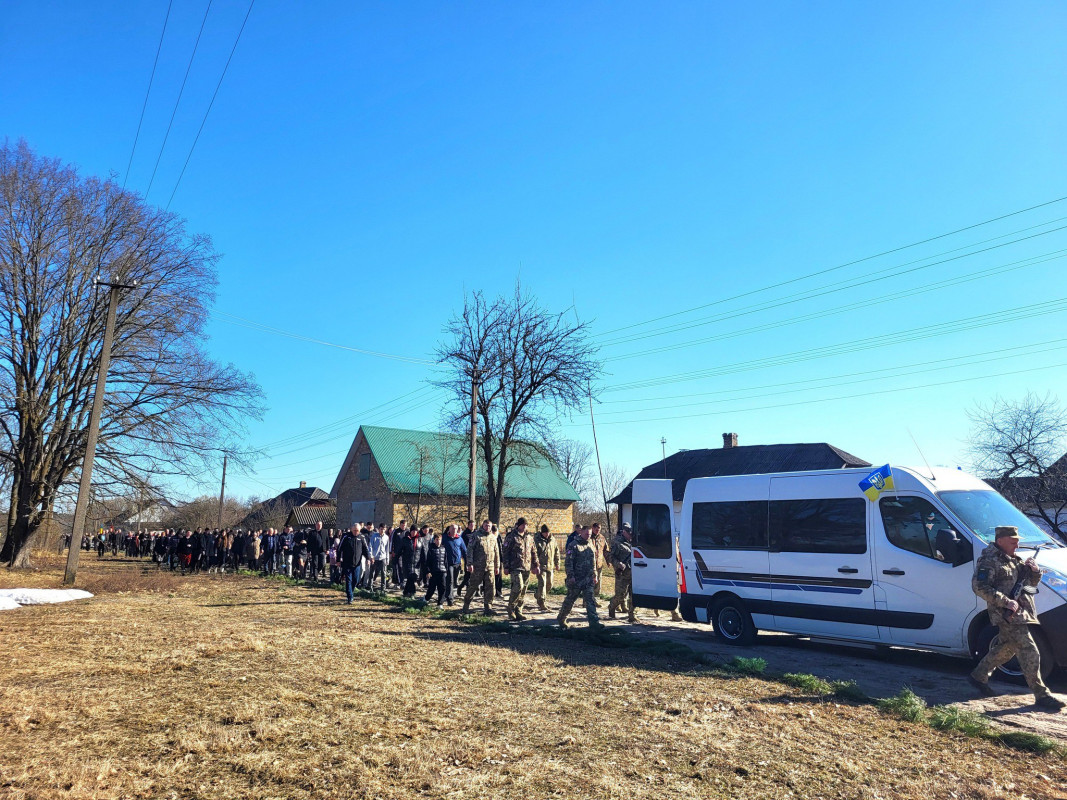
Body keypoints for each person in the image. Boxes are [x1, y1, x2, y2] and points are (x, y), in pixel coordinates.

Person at [969, 526, 1065, 710]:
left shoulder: (1015, 560)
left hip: (1021, 612)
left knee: (1007, 648)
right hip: (1005, 614)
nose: (1017, 545)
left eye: (1017, 541)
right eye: (1013, 541)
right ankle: (1042, 694)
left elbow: (1029, 585)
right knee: (1030, 650)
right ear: (1000, 541)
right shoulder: (989, 561)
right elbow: (979, 586)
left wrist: (1035, 571)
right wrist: (1005, 602)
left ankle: (978, 675)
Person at [556, 525, 602, 629]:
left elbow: (593, 562)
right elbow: (568, 563)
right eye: (587, 534)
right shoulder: (573, 545)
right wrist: (570, 576)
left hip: (588, 579)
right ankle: (561, 618)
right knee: (570, 600)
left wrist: (595, 575)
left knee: (590, 600)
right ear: (581, 532)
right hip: (576, 579)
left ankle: (594, 622)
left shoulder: (590, 544)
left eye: (590, 534)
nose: (588, 536)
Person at [461, 520, 501, 615]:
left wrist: (497, 566)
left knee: (490, 587)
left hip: (490, 566)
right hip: (478, 567)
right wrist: (469, 564)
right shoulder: (476, 536)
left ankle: (488, 607)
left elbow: (496, 552)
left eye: (489, 526)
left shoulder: (493, 537)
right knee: (473, 586)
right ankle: (466, 605)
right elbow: (469, 550)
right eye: (486, 525)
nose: (488, 527)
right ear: (483, 525)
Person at [503, 517, 537, 621]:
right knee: (518, 587)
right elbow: (505, 552)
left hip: (526, 567)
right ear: (518, 525)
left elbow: (534, 552)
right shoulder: (511, 536)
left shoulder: (529, 537)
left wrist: (536, 565)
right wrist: (506, 566)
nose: (525, 527)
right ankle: (511, 608)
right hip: (515, 567)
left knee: (523, 590)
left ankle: (519, 610)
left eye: (526, 525)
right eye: (523, 525)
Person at [607, 524, 636, 623]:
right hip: (623, 574)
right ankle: (612, 606)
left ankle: (632, 615)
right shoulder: (617, 542)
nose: (630, 535)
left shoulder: (634, 542)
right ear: (624, 532)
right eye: (629, 533)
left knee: (634, 595)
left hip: (635, 573)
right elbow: (610, 556)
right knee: (620, 596)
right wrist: (618, 564)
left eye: (631, 533)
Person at [533, 524, 560, 611]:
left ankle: (538, 594)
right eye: (545, 533)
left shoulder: (553, 539)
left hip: (550, 566)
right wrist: (535, 565)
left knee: (550, 584)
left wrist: (557, 563)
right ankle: (541, 602)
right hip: (541, 566)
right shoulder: (537, 540)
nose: (547, 534)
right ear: (542, 532)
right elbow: (533, 553)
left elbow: (556, 551)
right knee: (542, 584)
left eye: (548, 532)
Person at [339, 525, 366, 604]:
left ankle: (351, 591)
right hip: (347, 563)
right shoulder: (346, 537)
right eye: (354, 530)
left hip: (357, 563)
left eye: (357, 530)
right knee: (348, 580)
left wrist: (368, 558)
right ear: (351, 529)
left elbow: (365, 549)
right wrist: (338, 560)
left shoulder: (361, 537)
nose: (356, 532)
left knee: (356, 580)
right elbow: (339, 549)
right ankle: (350, 597)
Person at [423, 531, 451, 607]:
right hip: (433, 572)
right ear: (434, 540)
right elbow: (428, 562)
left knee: (442, 588)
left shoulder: (444, 548)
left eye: (440, 539)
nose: (438, 541)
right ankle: (426, 599)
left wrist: (446, 570)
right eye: (437, 539)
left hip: (442, 571)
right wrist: (428, 571)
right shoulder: (431, 549)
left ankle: (440, 603)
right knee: (431, 588)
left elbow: (446, 561)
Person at [443, 524, 466, 605]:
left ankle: (448, 594)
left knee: (454, 581)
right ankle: (450, 599)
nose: (454, 530)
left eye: (455, 529)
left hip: (457, 563)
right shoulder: (445, 538)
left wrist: (467, 562)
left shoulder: (459, 539)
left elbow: (464, 550)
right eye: (452, 529)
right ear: (449, 529)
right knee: (450, 580)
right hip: (448, 563)